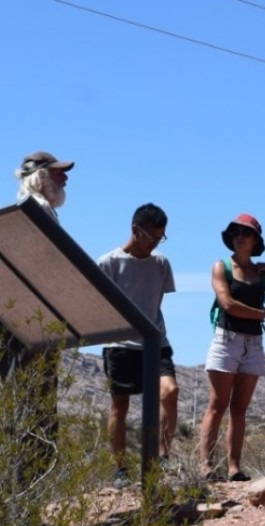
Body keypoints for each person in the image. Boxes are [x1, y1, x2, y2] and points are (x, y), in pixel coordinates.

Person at [199, 214, 265, 482]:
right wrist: (259, 314)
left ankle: (234, 467)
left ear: (255, 240)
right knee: (217, 404)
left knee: (239, 409)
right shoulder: (221, 267)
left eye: (246, 233)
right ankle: (206, 465)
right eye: (236, 232)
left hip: (253, 344)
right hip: (226, 339)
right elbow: (227, 304)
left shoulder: (260, 274)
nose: (240, 237)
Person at [2, 151, 75, 483]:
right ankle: (25, 503)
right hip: (33, 326)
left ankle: (22, 505)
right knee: (35, 413)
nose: (65, 179)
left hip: (19, 323)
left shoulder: (21, 211)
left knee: (25, 410)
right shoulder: (37, 211)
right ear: (42, 176)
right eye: (59, 173)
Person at [96, 203, 178, 489]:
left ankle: (162, 457)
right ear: (135, 230)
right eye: (151, 237)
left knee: (170, 392)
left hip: (156, 341)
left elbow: (156, 302)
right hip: (120, 343)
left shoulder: (161, 264)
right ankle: (119, 469)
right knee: (120, 404)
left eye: (160, 238)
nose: (155, 243)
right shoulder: (107, 263)